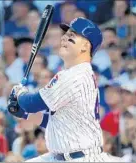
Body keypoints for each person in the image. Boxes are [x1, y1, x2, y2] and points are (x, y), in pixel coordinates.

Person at [7, 17, 122, 162]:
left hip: (80, 158)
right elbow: (54, 123)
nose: (64, 37)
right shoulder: (73, 73)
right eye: (65, 34)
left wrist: (19, 93)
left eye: (71, 36)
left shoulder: (76, 75)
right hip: (62, 156)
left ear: (85, 46)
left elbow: (32, 103)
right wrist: (24, 114)